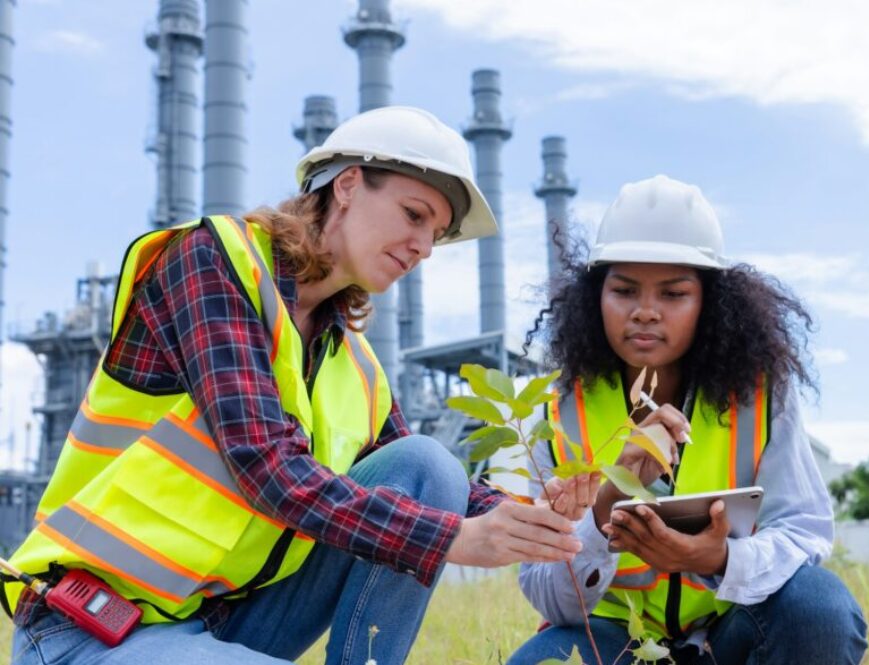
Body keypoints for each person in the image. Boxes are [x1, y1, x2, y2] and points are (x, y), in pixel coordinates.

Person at [3, 106, 591, 665]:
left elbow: (448, 497)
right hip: (90, 626)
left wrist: (532, 514)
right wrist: (451, 539)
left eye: (436, 234)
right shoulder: (213, 261)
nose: (423, 247)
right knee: (429, 517)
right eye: (414, 215)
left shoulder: (353, 364)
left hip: (222, 621)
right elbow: (265, 463)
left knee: (429, 465)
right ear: (348, 184)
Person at [508, 175, 869, 664]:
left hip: (731, 632)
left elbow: (804, 531)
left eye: (674, 294)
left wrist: (718, 560)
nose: (645, 312)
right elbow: (550, 596)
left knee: (819, 609)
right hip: (614, 638)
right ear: (596, 296)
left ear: (710, 303)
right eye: (624, 290)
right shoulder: (557, 411)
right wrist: (607, 502)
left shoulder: (760, 396)